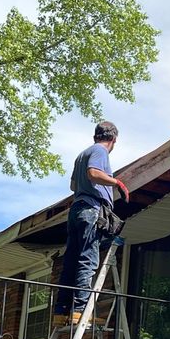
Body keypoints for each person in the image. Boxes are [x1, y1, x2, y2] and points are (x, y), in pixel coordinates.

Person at [54, 121, 130, 323]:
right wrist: (117, 183)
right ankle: (79, 311)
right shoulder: (100, 151)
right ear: (113, 140)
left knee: (71, 261)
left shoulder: (82, 155)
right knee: (88, 259)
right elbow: (94, 173)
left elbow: (73, 185)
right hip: (90, 210)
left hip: (76, 210)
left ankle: (61, 312)